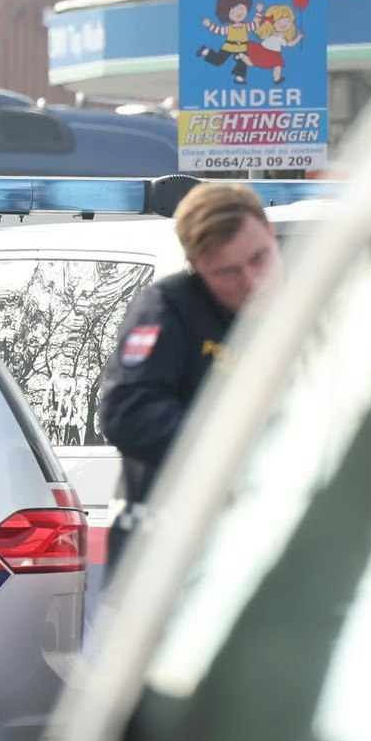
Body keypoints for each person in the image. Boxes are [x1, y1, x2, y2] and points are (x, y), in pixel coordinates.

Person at [96, 181, 282, 552]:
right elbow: (126, 412)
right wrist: (236, 448)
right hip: (170, 559)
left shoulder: (313, 303)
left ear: (272, 234)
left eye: (259, 258)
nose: (252, 282)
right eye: (227, 272)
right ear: (194, 265)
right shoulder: (169, 310)